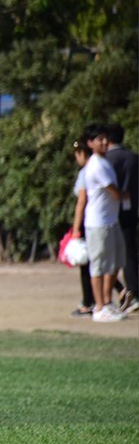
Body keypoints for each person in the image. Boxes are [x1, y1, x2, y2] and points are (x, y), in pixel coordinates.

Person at [74, 125, 127, 323]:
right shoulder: (95, 165)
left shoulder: (105, 162)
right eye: (99, 139)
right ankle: (98, 307)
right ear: (90, 143)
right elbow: (114, 192)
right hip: (98, 224)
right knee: (98, 266)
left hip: (110, 221)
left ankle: (106, 302)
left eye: (105, 138)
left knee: (116, 263)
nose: (104, 142)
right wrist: (126, 196)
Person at [103, 123, 139, 314]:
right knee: (130, 251)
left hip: (110, 212)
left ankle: (124, 291)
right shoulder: (134, 158)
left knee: (109, 255)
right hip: (132, 209)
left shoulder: (106, 160)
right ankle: (133, 289)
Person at [68, 140, 95, 318]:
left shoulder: (86, 172)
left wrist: (75, 229)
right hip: (99, 221)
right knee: (96, 262)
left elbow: (81, 203)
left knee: (86, 263)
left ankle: (88, 302)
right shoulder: (100, 168)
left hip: (88, 223)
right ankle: (122, 292)